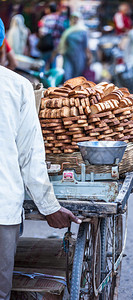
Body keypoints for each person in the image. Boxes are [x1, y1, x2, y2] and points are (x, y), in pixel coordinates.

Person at [0, 18, 81, 300]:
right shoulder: (16, 86)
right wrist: (49, 207)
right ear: (2, 44)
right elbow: (30, 156)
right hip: (2, 210)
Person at [58, 11, 89, 81]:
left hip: (79, 57)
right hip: (68, 56)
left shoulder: (83, 31)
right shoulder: (68, 31)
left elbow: (86, 46)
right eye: (73, 18)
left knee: (77, 77)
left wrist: (88, 57)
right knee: (67, 76)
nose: (75, 20)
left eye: (76, 18)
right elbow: (63, 43)